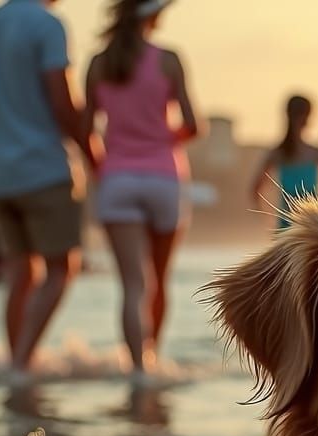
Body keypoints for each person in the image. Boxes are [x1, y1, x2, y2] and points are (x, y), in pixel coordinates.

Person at [0, 0, 97, 371]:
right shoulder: (47, 24)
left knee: (19, 271)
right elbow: (61, 100)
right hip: (43, 167)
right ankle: (22, 363)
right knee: (61, 267)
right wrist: (92, 151)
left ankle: (15, 360)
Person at [82, 0, 199, 375]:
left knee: (133, 284)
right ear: (151, 15)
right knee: (159, 281)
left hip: (117, 178)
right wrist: (164, 137)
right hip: (164, 177)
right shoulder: (168, 59)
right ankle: (153, 360)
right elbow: (193, 124)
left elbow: (85, 129)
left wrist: (102, 164)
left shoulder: (98, 63)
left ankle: (137, 369)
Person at [250, 95, 318, 229]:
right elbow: (255, 189)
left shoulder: (314, 152)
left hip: (312, 224)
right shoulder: (281, 153)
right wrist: (268, 218)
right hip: (289, 225)